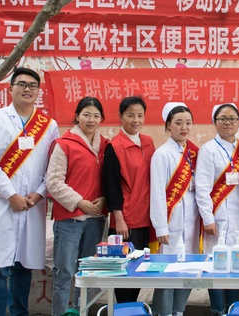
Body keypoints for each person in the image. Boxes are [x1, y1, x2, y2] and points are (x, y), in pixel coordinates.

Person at [0, 67, 59, 316]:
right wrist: (11, 195)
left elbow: (53, 167)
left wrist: (39, 193)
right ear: (10, 89)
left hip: (32, 205)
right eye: (22, 84)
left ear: (38, 91)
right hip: (0, 203)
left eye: (33, 86)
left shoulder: (48, 126)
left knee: (23, 268)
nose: (27, 89)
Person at [46, 96, 108, 315]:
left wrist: (105, 199)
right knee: (64, 271)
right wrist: (79, 202)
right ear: (77, 116)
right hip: (69, 220)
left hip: (95, 219)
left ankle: (82, 311)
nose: (91, 120)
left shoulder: (105, 145)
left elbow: (111, 179)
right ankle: (60, 312)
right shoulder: (64, 144)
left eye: (96, 116)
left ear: (102, 119)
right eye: (86, 115)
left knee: (88, 272)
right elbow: (54, 182)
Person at [102, 96, 155, 303]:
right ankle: (124, 310)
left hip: (145, 219)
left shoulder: (148, 142)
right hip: (126, 221)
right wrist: (119, 219)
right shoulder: (114, 147)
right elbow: (111, 186)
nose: (136, 120)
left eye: (140, 115)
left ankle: (132, 308)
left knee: (139, 271)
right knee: (124, 272)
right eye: (130, 115)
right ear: (121, 117)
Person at [196, 103, 239, 316]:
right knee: (215, 266)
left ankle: (233, 309)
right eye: (223, 119)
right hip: (216, 218)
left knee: (236, 264)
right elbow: (202, 188)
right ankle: (217, 310)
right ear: (214, 122)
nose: (228, 123)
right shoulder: (208, 150)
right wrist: (208, 218)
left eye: (232, 118)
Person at [150, 102, 200, 316]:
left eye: (188, 123)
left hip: (192, 220)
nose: (184, 127)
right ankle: (163, 312)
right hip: (171, 221)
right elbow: (157, 193)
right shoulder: (162, 154)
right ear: (168, 125)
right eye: (178, 123)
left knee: (188, 269)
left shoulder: (194, 152)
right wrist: (161, 227)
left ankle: (179, 310)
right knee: (168, 271)